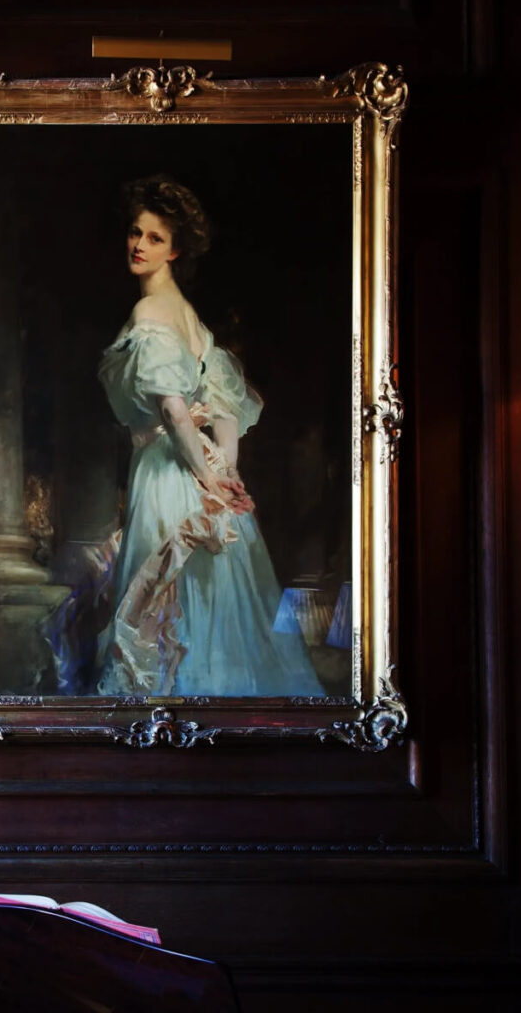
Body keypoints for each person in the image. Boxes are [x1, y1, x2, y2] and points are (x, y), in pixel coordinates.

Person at [95, 175, 325, 698]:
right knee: (207, 602)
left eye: (154, 238)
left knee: (172, 600)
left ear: (175, 250)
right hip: (205, 468)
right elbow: (222, 409)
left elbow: (177, 414)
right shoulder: (193, 321)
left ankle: (169, 715)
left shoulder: (150, 313)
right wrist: (227, 471)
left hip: (171, 472)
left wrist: (208, 477)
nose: (138, 245)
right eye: (135, 232)